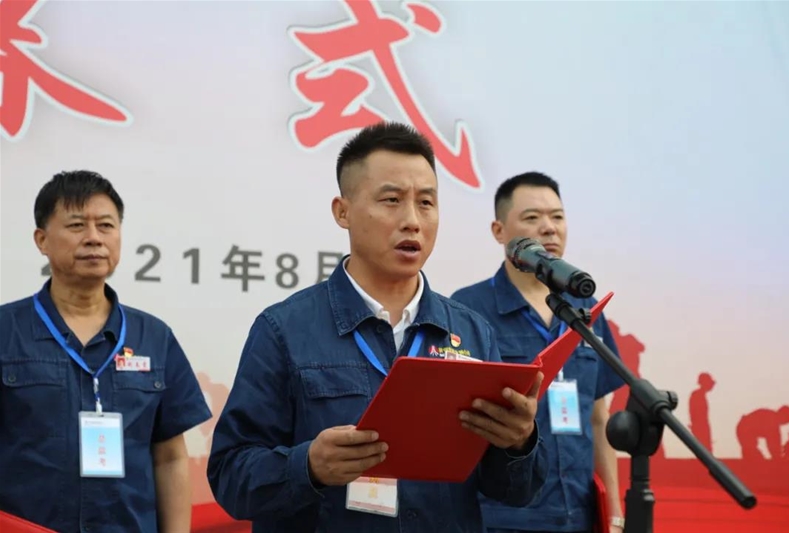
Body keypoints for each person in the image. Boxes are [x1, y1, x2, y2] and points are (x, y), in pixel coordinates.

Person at [208, 122, 548, 532]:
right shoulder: (283, 329)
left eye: (426, 202)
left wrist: (518, 443)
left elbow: (515, 492)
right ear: (343, 211)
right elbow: (230, 476)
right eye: (391, 200)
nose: (412, 221)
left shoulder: (472, 332)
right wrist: (308, 466)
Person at [0, 171, 212, 532]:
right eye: (77, 225)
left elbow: (170, 458)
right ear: (42, 240)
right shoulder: (7, 330)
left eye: (106, 225)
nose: (94, 238)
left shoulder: (154, 337)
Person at [451, 172, 625, 533]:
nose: (549, 228)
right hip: (500, 519)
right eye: (532, 218)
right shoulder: (467, 310)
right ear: (499, 231)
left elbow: (598, 419)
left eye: (557, 216)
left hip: (578, 516)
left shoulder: (586, 309)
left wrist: (614, 512)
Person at [688, 372, 716, 453]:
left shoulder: (699, 395)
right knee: (705, 450)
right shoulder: (697, 395)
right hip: (700, 426)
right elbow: (694, 412)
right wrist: (696, 426)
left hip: (702, 426)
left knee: (705, 450)